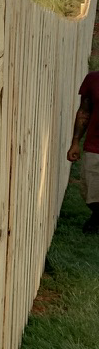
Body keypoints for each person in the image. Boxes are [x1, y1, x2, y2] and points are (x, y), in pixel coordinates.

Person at [68, 69, 99, 234]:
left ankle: (95, 222)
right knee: (90, 193)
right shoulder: (93, 79)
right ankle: (97, 215)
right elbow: (84, 112)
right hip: (95, 145)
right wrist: (75, 142)